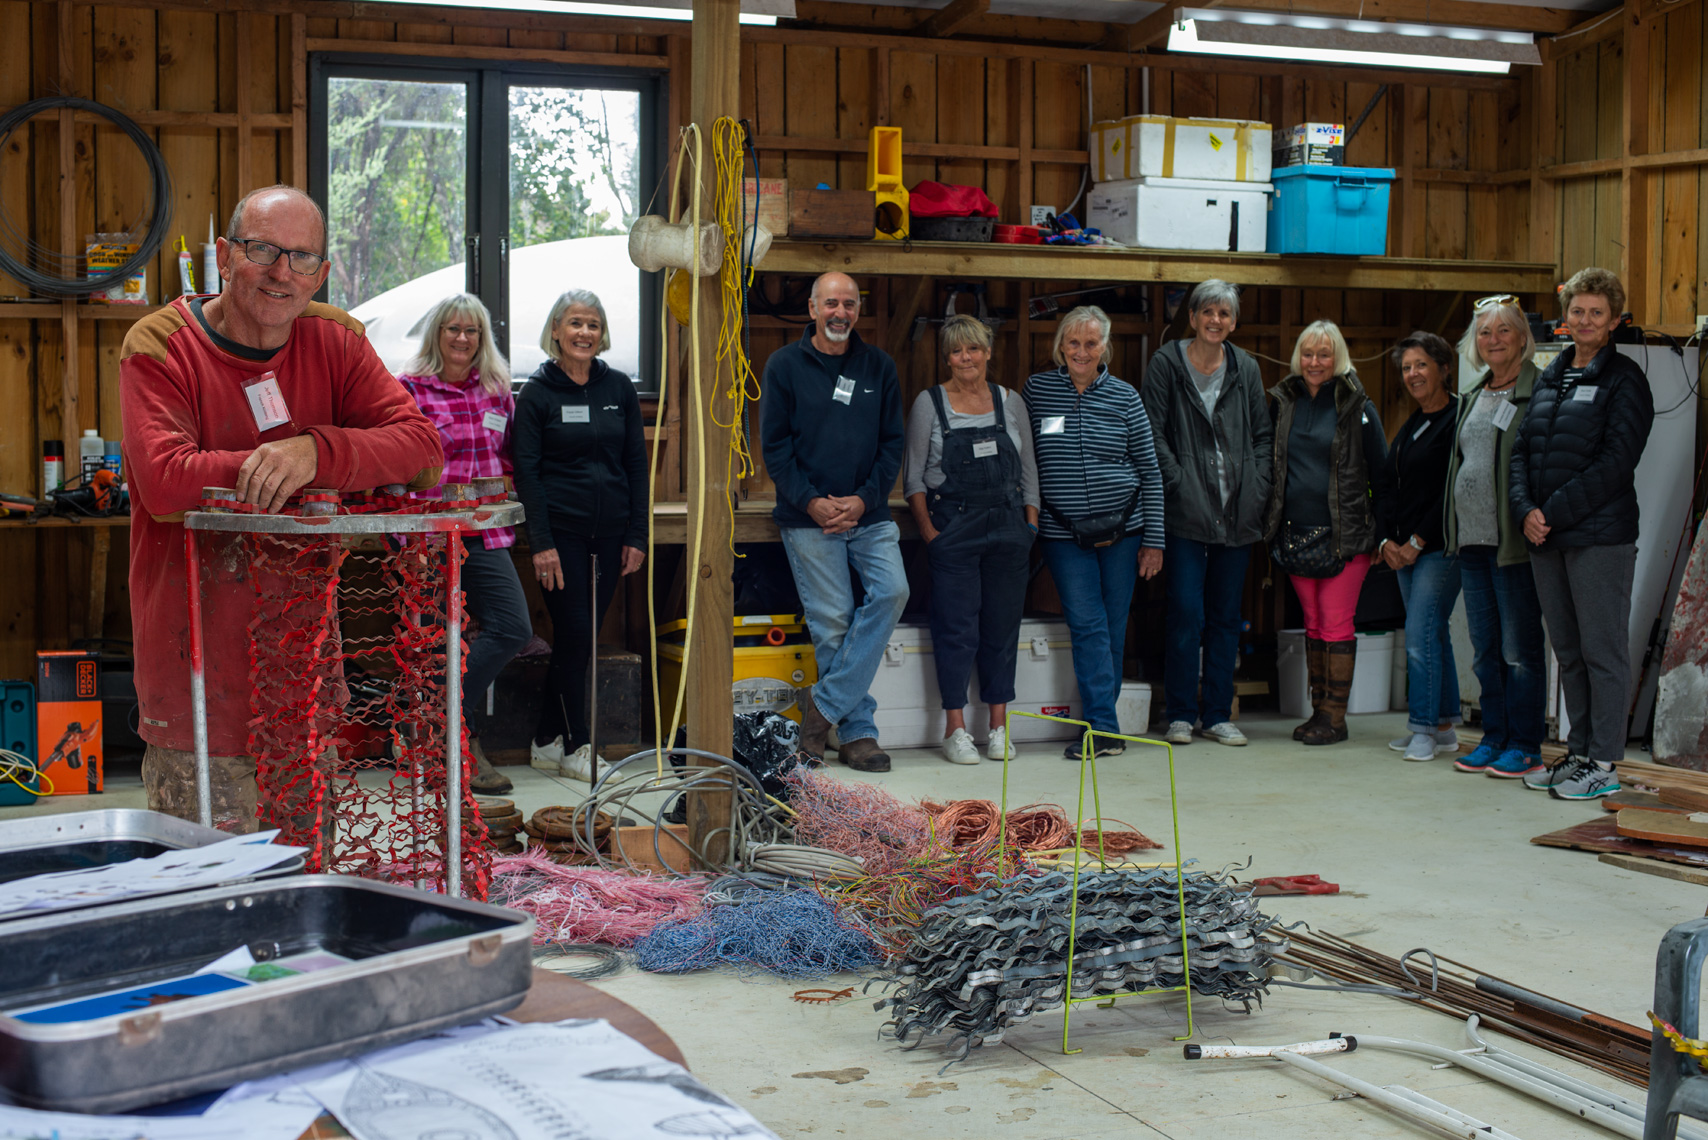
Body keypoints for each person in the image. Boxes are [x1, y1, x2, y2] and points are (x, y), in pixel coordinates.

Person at [120, 185, 444, 831]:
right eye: (262, 249)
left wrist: (314, 453)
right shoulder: (160, 345)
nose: (281, 273)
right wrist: (268, 465)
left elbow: (423, 450)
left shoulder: (338, 341)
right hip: (197, 680)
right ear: (223, 254)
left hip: (305, 676)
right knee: (207, 895)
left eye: (301, 259)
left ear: (321, 273)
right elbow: (163, 483)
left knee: (303, 884)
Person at [1511, 267, 1654, 800]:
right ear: (1565, 318)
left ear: (1614, 320)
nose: (1586, 320)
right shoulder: (1552, 375)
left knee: (1602, 650)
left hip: (1599, 537)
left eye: (1597, 312)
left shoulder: (1625, 380)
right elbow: (1522, 450)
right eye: (1578, 311)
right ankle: (1577, 751)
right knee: (1568, 651)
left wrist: (1551, 511)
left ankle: (1604, 763)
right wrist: (1526, 508)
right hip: (1547, 536)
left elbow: (1617, 462)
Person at [761, 271, 909, 774]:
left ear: (857, 311)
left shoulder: (878, 366)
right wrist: (812, 502)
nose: (839, 312)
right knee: (835, 624)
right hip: (808, 517)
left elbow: (893, 446)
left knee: (893, 592)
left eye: (848, 303)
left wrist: (865, 501)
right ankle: (859, 733)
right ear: (812, 308)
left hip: (868, 514)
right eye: (831, 303)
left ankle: (820, 711)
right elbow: (775, 450)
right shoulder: (783, 366)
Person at [397, 293, 531, 795]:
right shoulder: (408, 389)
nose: (461, 338)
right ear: (437, 334)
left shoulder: (497, 390)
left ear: (482, 338)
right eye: (452, 329)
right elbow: (395, 465)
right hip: (426, 535)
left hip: (485, 532)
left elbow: (511, 459)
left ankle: (444, 723)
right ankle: (449, 751)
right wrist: (398, 534)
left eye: (471, 330)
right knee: (431, 643)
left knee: (513, 627)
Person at [513, 290, 648, 782]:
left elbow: (635, 464)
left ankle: (546, 740)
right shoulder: (537, 393)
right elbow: (526, 473)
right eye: (575, 323)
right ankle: (577, 745)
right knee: (575, 636)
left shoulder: (618, 389)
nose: (584, 333)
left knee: (581, 639)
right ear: (555, 330)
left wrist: (638, 533)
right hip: (561, 535)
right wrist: (542, 541)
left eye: (593, 324)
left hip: (612, 535)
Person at [1024, 305, 1165, 761]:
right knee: (1087, 625)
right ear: (1060, 346)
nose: (1081, 352)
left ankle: (1102, 725)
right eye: (1073, 343)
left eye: (1091, 343)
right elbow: (1024, 462)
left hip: (1125, 532)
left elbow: (1150, 470)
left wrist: (1154, 540)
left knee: (1113, 625)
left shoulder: (1126, 397)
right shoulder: (1037, 392)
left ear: (1105, 346)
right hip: (1063, 535)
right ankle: (1104, 728)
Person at [1141, 279, 1272, 749]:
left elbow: (1262, 435)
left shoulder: (1247, 368)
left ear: (1233, 323)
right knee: (1185, 615)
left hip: (1238, 515)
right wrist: (1178, 481)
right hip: (1184, 514)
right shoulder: (1166, 364)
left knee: (1224, 617)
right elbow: (1151, 431)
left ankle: (1217, 713)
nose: (1216, 321)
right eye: (1208, 312)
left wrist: (1257, 488)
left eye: (1225, 314)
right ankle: (1180, 714)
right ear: (1193, 317)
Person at [904, 315, 1039, 765]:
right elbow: (915, 477)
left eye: (974, 349)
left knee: (1002, 628)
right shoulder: (930, 403)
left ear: (987, 353)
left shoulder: (1010, 401)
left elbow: (1029, 473)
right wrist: (929, 532)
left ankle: (999, 727)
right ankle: (955, 729)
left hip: (1007, 526)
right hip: (953, 527)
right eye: (958, 351)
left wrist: (1030, 525)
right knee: (956, 629)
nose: (967, 358)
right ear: (947, 358)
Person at [1264, 320, 1394, 746]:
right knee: (1314, 624)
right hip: (1296, 533)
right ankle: (1318, 711)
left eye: (1324, 354)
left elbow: (1383, 472)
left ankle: (1334, 719)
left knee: (1337, 623)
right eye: (1308, 353)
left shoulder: (1358, 404)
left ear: (1337, 357)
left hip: (1347, 535)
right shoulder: (1284, 401)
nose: (1315, 362)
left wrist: (1382, 535)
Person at [1444, 297, 1547, 780]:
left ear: (1523, 338)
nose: (1494, 340)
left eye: (1504, 331)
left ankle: (1525, 745)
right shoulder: (1474, 392)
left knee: (1518, 651)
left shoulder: (1538, 391)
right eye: (1485, 333)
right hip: (1473, 542)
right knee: (1485, 649)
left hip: (1513, 544)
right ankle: (1494, 736)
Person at [1379, 331, 1463, 762]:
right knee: (1433, 633)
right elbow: (1393, 486)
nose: (1413, 374)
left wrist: (1416, 541)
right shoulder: (1413, 423)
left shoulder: (1456, 418)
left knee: (1419, 635)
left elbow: (1452, 492)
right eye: (1407, 367)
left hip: (1439, 548)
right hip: (1404, 550)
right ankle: (1445, 726)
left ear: (1444, 368)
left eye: (1421, 365)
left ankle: (1424, 728)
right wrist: (1387, 541)